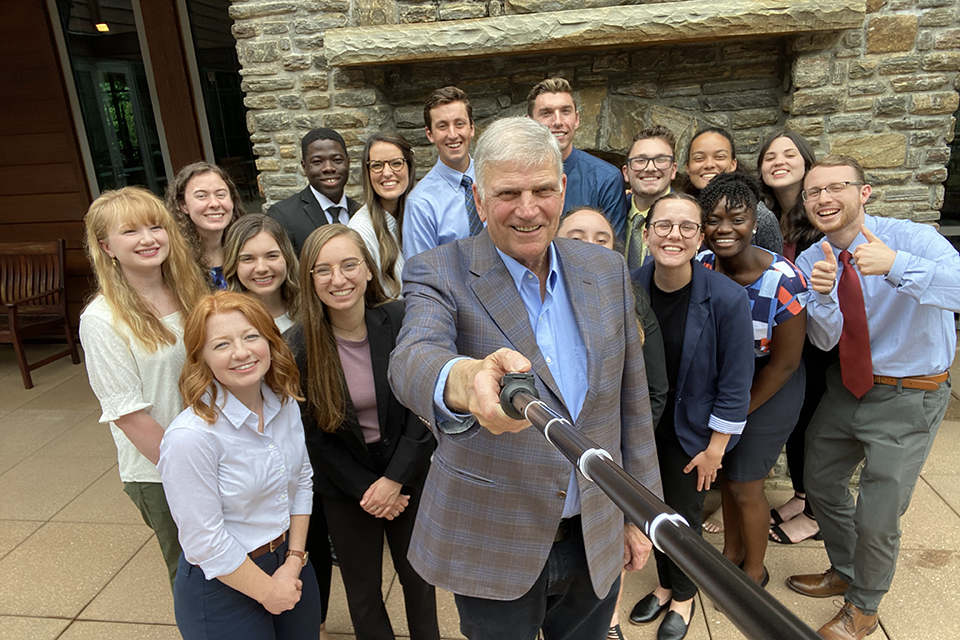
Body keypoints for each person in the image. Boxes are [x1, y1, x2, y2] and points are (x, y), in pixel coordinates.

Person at [388, 117, 661, 640]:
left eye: (541, 189)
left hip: (595, 527)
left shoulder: (605, 270)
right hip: (495, 535)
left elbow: (629, 405)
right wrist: (465, 379)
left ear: (562, 187)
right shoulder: (438, 271)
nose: (528, 209)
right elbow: (412, 357)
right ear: (478, 196)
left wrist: (639, 512)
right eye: (508, 192)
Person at [787, 155, 959, 640]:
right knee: (820, 484)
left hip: (911, 394)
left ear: (864, 193)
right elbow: (824, 341)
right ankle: (846, 569)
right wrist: (820, 299)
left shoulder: (913, 240)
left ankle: (864, 608)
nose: (823, 199)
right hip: (850, 387)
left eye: (835, 187)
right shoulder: (812, 259)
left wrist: (898, 267)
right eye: (813, 192)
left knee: (878, 514)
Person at [288, 225, 439, 640]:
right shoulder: (298, 346)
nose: (338, 279)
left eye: (349, 264)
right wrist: (369, 490)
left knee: (419, 581)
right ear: (309, 279)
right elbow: (312, 438)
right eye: (323, 270)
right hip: (346, 485)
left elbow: (421, 407)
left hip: (407, 473)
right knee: (363, 592)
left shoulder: (402, 319)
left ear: (369, 270)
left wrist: (394, 480)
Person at [159, 291, 320, 640]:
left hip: (289, 561)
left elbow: (302, 481)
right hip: (222, 581)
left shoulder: (285, 403)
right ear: (200, 357)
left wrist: (294, 559)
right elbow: (204, 540)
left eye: (251, 336)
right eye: (221, 344)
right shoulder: (190, 437)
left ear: (269, 341)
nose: (242, 352)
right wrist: (266, 591)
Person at [628, 193, 753, 640]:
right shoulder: (627, 287)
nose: (673, 235)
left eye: (686, 227)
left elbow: (736, 382)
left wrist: (715, 450)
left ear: (700, 238)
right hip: (639, 429)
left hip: (691, 435)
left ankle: (683, 596)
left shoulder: (727, 299)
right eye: (663, 226)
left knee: (682, 517)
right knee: (645, 512)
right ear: (646, 234)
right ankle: (664, 584)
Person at [80, 186, 209, 590]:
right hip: (164, 471)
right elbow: (130, 415)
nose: (149, 239)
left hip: (217, 452)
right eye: (131, 231)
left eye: (156, 226)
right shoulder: (101, 320)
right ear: (106, 247)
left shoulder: (192, 293)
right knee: (197, 578)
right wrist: (194, 473)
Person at [558, 206, 668, 640]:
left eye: (601, 239)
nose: (588, 247)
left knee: (609, 553)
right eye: (576, 236)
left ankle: (611, 622)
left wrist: (618, 443)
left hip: (609, 456)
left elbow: (651, 392)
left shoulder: (630, 300)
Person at [696, 173, 808, 589]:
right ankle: (730, 554)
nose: (724, 229)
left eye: (737, 219)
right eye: (713, 219)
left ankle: (752, 573)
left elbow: (785, 363)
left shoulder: (784, 279)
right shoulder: (701, 265)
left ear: (754, 222)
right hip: (725, 380)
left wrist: (735, 413)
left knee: (744, 482)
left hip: (769, 384)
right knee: (725, 473)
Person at [757, 130, 833, 545]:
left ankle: (817, 515)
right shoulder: (768, 218)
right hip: (784, 339)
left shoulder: (820, 219)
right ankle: (801, 497)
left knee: (813, 426)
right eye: (770, 156)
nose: (779, 161)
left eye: (789, 154)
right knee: (796, 424)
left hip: (819, 340)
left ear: (807, 162)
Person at [528, 77, 629, 238]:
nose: (558, 121)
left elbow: (613, 252)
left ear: (577, 119)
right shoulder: (516, 176)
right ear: (530, 123)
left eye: (565, 111)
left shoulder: (606, 179)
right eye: (546, 113)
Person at [403, 86, 480, 259]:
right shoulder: (420, 203)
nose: (452, 135)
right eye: (442, 126)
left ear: (472, 128)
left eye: (459, 124)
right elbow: (422, 274)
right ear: (430, 134)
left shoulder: (495, 178)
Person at [682, 127, 782, 255]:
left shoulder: (761, 216)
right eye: (699, 158)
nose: (709, 164)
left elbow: (775, 264)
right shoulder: (681, 212)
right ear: (688, 167)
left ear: (733, 164)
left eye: (719, 156)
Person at [268, 128, 361, 257]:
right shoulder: (282, 215)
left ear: (348, 163)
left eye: (337, 160)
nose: (329, 168)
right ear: (304, 167)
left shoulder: (361, 212)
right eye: (317, 162)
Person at [349, 132, 416, 298]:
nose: (387, 173)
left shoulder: (420, 215)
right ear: (368, 172)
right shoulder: (360, 231)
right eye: (377, 165)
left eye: (396, 163)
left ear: (409, 166)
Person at [166, 161, 247, 289]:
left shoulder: (245, 248)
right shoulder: (174, 261)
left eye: (221, 194)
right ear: (183, 206)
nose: (214, 204)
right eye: (201, 196)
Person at [223, 214, 301, 333]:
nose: (261, 268)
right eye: (248, 259)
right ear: (233, 264)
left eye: (272, 256)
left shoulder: (311, 311)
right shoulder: (223, 321)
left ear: (287, 258)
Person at [622, 126, 678, 269]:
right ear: (626, 172)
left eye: (661, 159)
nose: (650, 168)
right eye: (640, 160)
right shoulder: (612, 210)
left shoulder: (689, 219)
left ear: (673, 170)